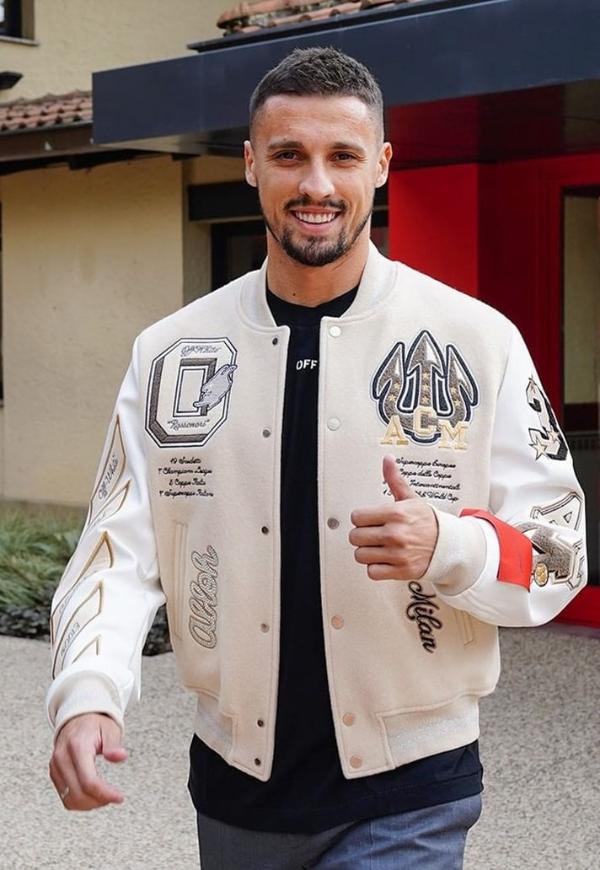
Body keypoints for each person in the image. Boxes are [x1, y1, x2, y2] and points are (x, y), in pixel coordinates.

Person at [47, 47, 586, 869]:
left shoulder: (477, 342)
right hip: (235, 789)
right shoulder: (171, 352)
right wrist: (87, 696)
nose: (317, 186)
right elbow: (116, 553)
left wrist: (452, 546)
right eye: (290, 155)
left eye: (342, 156)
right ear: (252, 163)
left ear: (381, 165)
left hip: (412, 787)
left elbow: (562, 549)